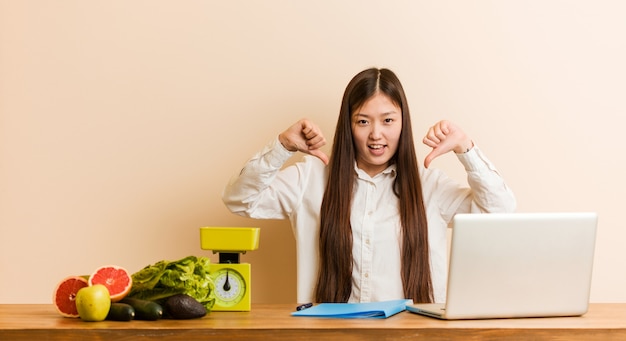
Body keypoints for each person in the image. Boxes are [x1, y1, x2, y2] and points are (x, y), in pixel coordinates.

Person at [222, 67, 515, 304]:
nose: (376, 134)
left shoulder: (430, 187)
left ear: (403, 123)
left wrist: (466, 148)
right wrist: (283, 146)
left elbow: (500, 212)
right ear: (348, 125)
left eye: (388, 120)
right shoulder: (309, 179)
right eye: (363, 121)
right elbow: (240, 199)